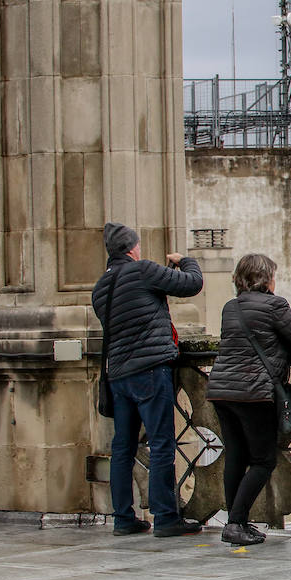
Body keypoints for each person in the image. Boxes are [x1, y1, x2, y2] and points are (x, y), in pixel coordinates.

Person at [91, 222, 204, 538]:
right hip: (150, 370)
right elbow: (192, 284)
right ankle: (165, 516)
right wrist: (184, 261)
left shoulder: (100, 288)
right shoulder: (141, 270)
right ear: (132, 248)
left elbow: (132, 313)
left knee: (123, 447)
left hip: (119, 376)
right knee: (161, 442)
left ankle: (123, 517)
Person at [205, 254, 291, 546]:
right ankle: (236, 522)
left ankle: (236, 522)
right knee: (263, 460)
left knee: (236, 457)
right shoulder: (274, 305)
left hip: (222, 390)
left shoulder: (231, 307)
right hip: (254, 392)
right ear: (266, 279)